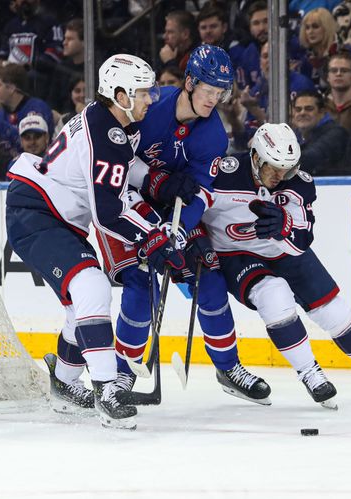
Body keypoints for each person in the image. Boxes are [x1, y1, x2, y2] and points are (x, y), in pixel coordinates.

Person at [98, 45, 272, 405]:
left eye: (221, 92)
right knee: (141, 284)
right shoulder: (148, 107)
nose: (214, 99)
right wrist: (153, 180)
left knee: (208, 274)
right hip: (124, 203)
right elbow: (112, 156)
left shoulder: (212, 136)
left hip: (172, 211)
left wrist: (179, 230)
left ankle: (228, 367)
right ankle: (122, 374)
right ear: (190, 82)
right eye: (208, 90)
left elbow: (203, 195)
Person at [6, 54, 169, 429]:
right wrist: (152, 237)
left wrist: (156, 183)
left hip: (54, 214)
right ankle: (106, 388)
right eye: (143, 92)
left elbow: (121, 170)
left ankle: (63, 383)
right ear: (121, 94)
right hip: (36, 212)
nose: (151, 99)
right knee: (91, 285)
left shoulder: (114, 122)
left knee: (77, 307)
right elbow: (109, 214)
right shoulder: (107, 132)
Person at [201, 123, 351, 407]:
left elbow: (301, 240)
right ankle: (309, 372)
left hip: (284, 250)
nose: (279, 176)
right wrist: (192, 238)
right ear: (256, 158)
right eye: (273, 167)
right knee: (275, 297)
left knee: (333, 310)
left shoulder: (299, 182)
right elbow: (190, 209)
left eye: (286, 169)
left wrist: (282, 226)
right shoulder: (221, 174)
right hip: (236, 254)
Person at [291, 90, 349, 175]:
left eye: (309, 109)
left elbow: (311, 158)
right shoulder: (294, 135)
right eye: (298, 109)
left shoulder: (336, 133)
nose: (302, 113)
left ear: (321, 112)